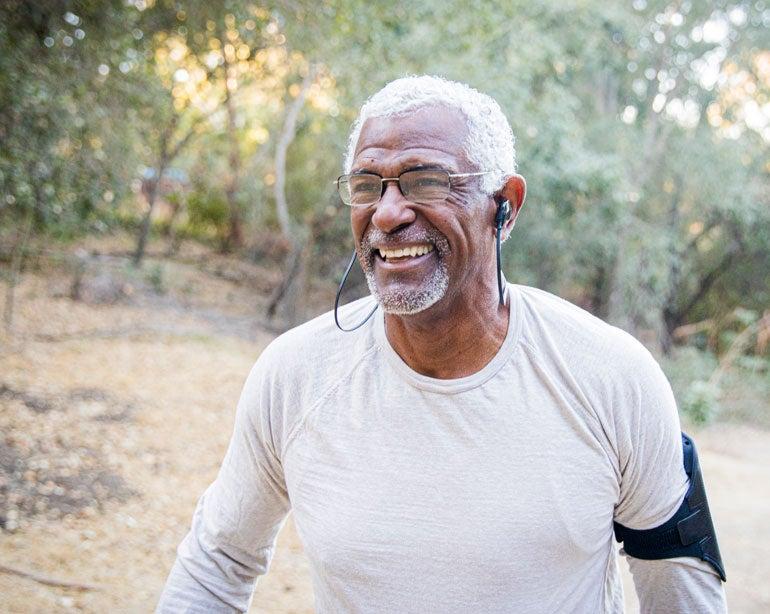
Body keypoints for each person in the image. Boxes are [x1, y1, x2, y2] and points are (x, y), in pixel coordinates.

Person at [157, 75, 727, 613]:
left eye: (426, 182)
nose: (387, 212)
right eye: (365, 186)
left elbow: (680, 589)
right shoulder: (296, 374)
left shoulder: (610, 376)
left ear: (505, 206)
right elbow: (218, 559)